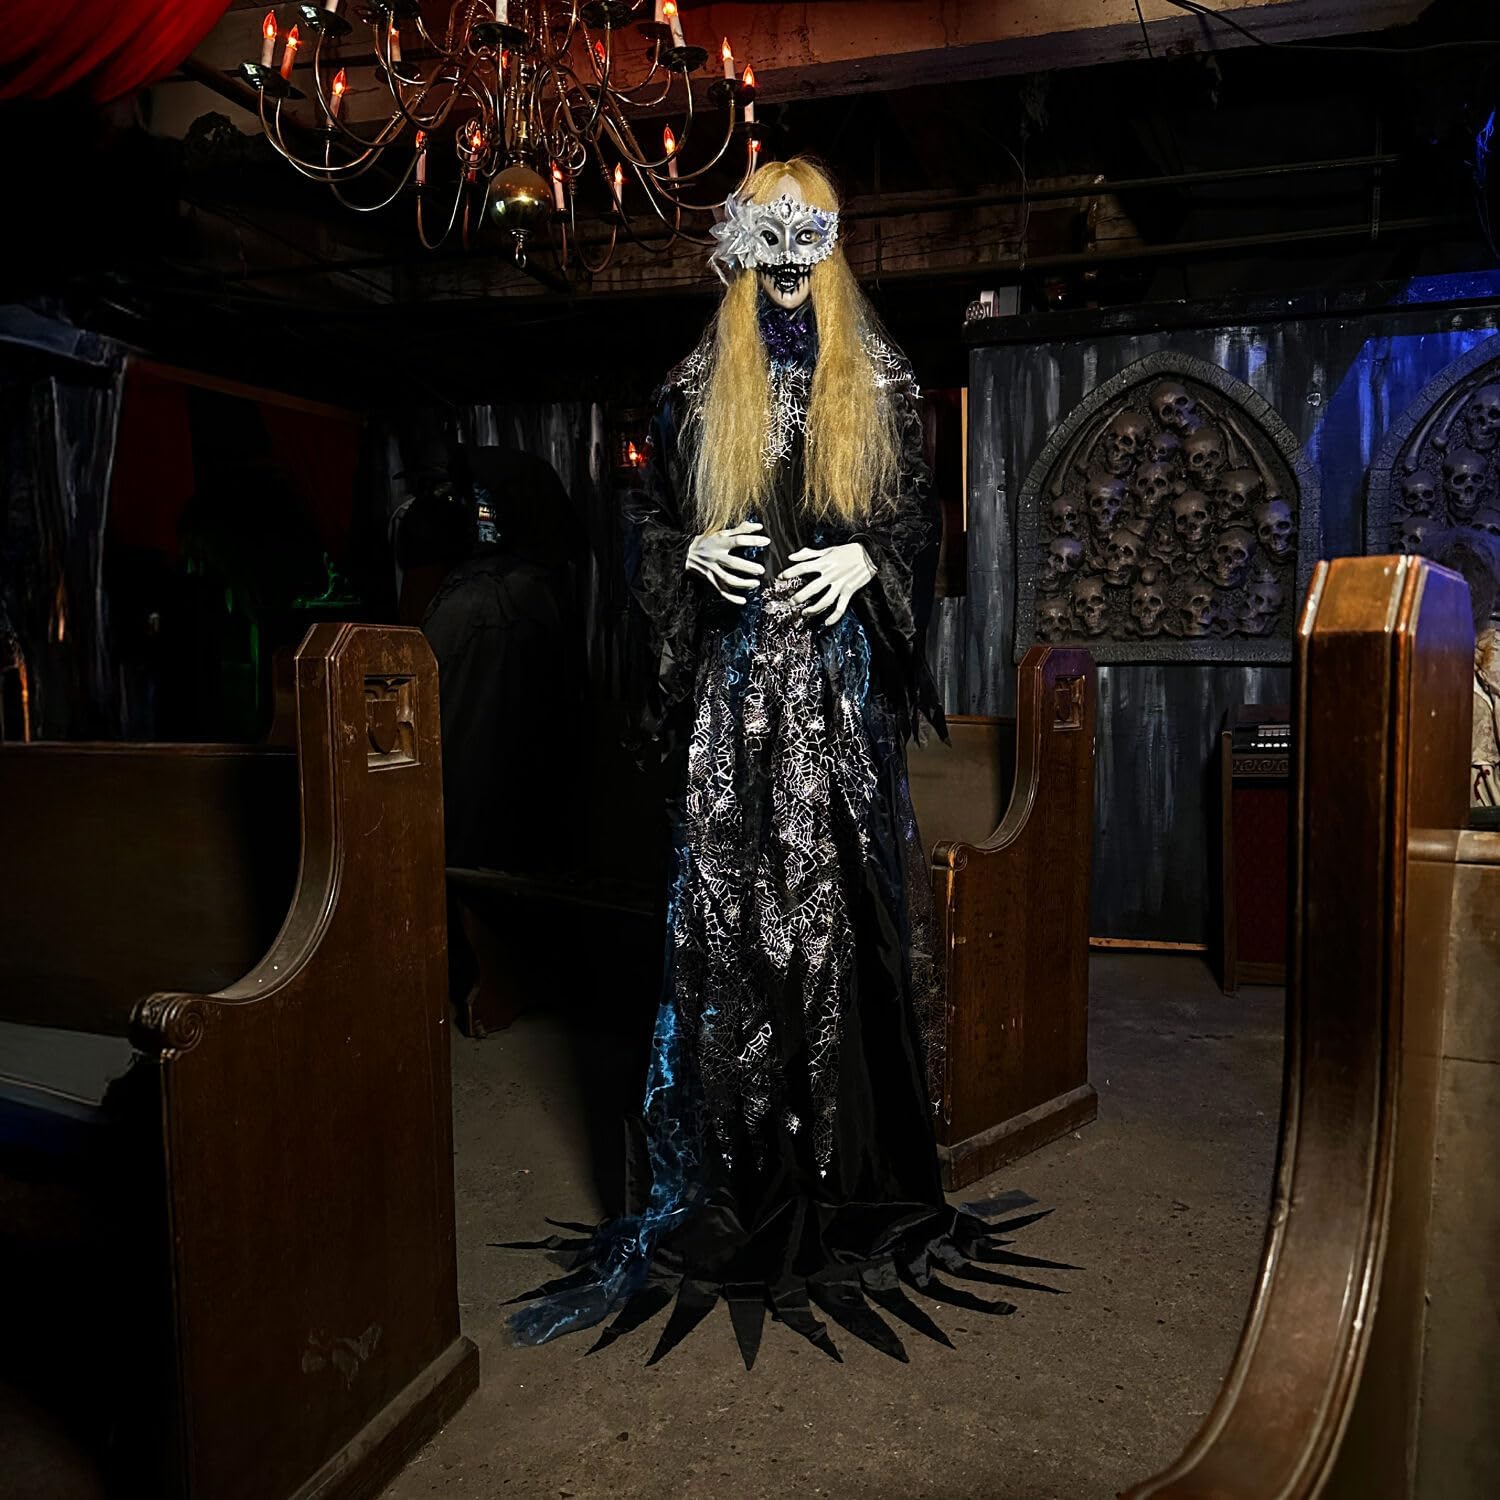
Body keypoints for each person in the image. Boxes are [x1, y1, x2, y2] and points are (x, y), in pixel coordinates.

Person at [508, 157, 1062, 1366]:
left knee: (841, 926)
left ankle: (849, 1175)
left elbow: (915, 517)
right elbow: (642, 520)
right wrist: (685, 554)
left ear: (835, 246)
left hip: (837, 702)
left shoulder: (886, 379)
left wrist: (870, 562)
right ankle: (729, 1174)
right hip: (729, 705)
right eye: (771, 238)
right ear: (741, 251)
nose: (794, 260)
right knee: (728, 930)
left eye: (812, 237)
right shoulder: (696, 384)